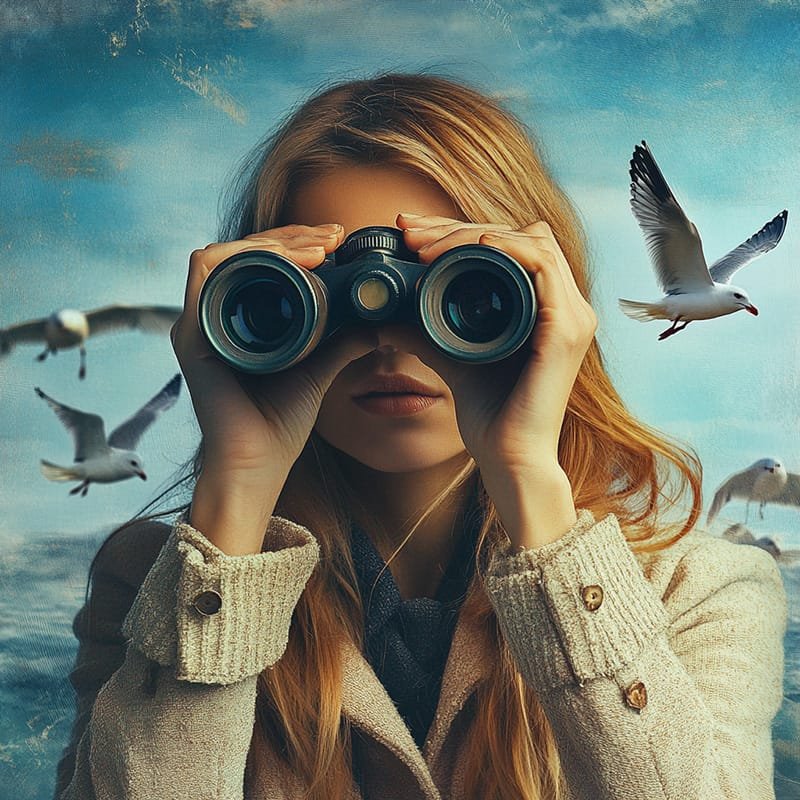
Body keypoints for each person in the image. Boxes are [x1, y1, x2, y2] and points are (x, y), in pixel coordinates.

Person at [55, 73, 786, 800]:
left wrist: (531, 482)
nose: (388, 334)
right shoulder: (159, 580)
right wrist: (237, 484)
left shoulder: (699, 588)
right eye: (334, 289)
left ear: (551, 305)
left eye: (462, 288)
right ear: (257, 302)